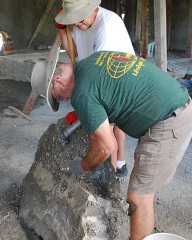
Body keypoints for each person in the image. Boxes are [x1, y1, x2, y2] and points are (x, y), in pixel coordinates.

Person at [46, 51, 192, 240]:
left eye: (57, 96)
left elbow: (105, 146)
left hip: (169, 121)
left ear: (57, 81)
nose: (63, 100)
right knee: (144, 190)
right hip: (175, 104)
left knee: (138, 197)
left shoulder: (82, 93)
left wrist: (82, 166)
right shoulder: (90, 62)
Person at [55, 0, 135, 177]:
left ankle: (114, 170)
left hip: (117, 75)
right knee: (111, 124)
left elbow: (99, 74)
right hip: (97, 72)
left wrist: (85, 105)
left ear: (93, 7)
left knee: (111, 124)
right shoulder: (79, 23)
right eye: (73, 19)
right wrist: (62, 30)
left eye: (80, 18)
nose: (77, 23)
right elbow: (74, 54)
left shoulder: (107, 26)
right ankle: (118, 164)